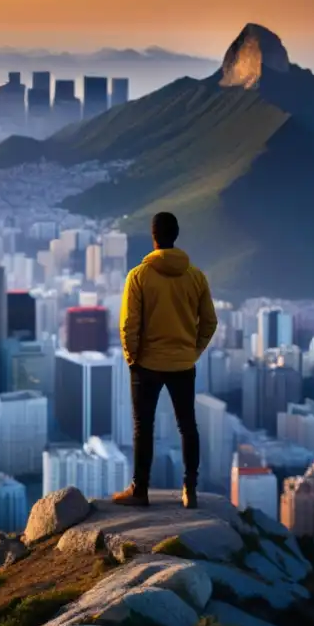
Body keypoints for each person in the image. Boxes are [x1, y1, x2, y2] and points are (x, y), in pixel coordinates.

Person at [113, 211, 218, 509]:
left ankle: (140, 490)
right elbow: (209, 322)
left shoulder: (139, 276)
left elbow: (128, 325)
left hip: (146, 364)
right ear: (176, 235)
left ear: (153, 237)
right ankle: (190, 489)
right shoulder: (196, 276)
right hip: (183, 364)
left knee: (142, 427)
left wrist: (133, 357)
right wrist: (192, 351)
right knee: (188, 426)